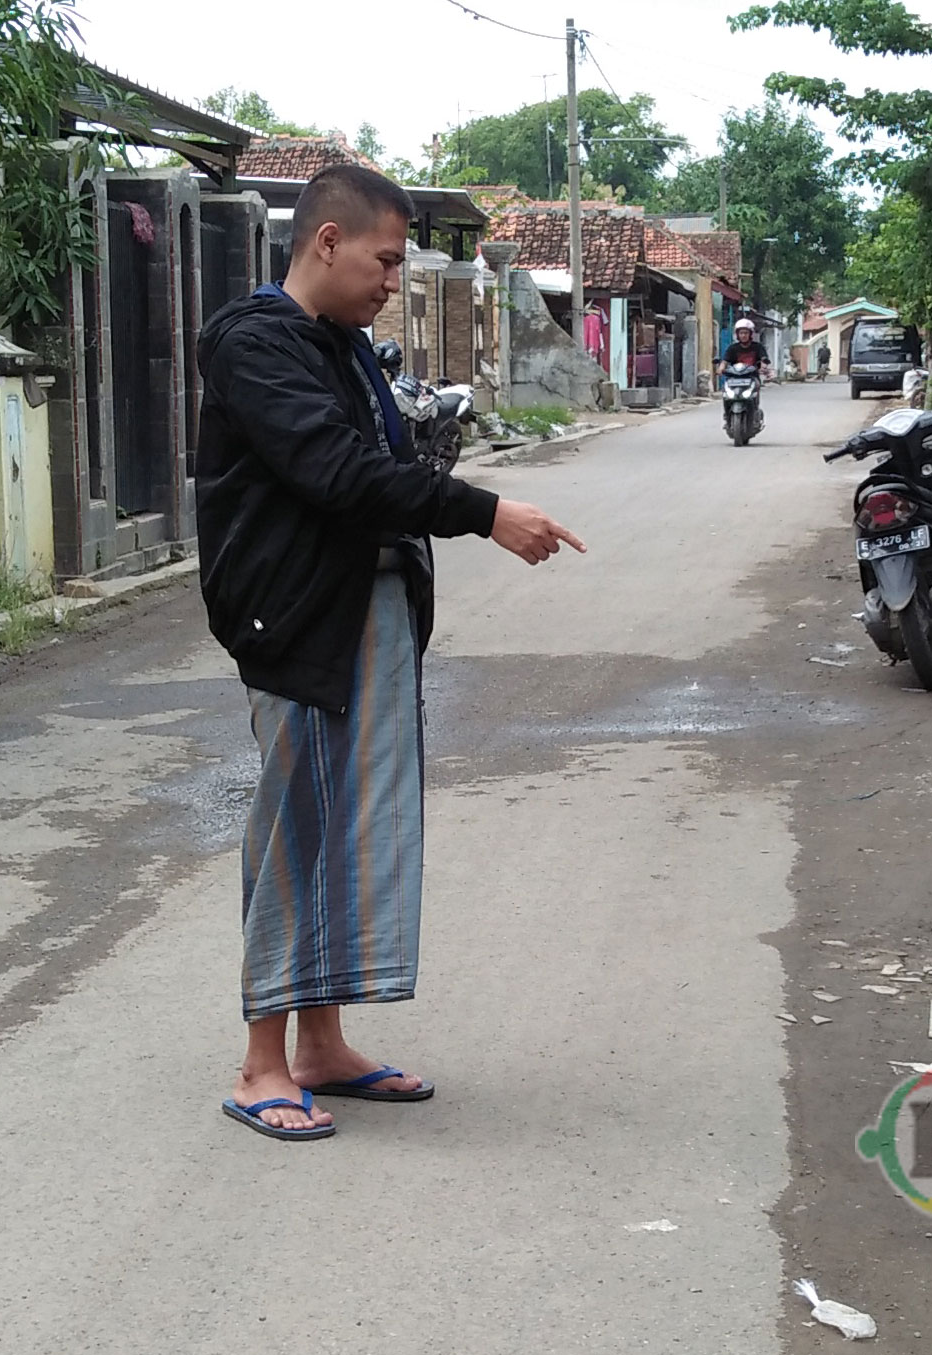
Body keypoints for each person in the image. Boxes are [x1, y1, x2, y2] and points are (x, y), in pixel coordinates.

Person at [194, 163, 586, 1141]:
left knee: (352, 828)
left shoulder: (343, 347)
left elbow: (389, 466)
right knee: (294, 830)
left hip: (366, 614)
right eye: (385, 258)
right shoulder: (255, 345)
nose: (393, 280)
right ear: (326, 242)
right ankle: (260, 1061)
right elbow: (338, 472)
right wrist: (486, 513)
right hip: (295, 622)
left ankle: (322, 1044)